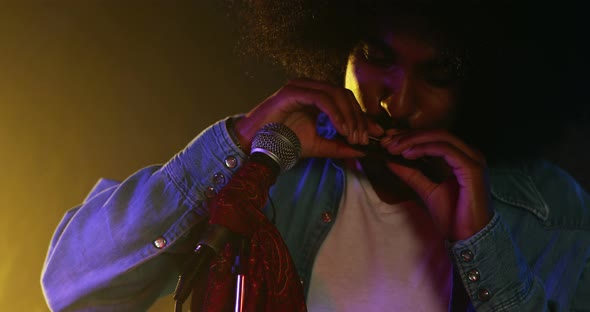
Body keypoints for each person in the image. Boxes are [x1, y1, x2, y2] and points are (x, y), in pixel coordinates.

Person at [41, 0, 590, 311]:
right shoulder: (271, 176)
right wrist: (242, 140)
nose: (394, 98)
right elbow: (69, 285)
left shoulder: (552, 214)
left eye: (438, 74)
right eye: (376, 56)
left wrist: (481, 244)